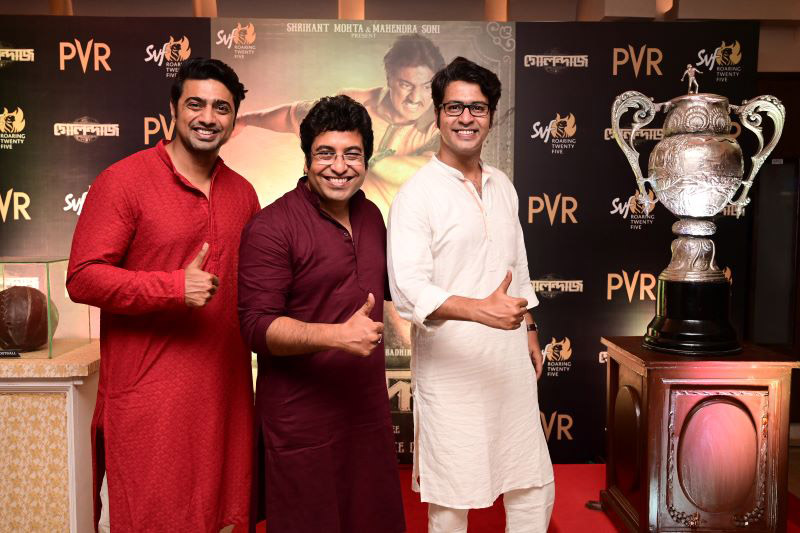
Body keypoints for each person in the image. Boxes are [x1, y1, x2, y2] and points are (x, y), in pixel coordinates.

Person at [66, 58, 259, 532]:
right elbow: (82, 277)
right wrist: (172, 287)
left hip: (225, 405)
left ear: (234, 119)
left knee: (224, 521)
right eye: (196, 104)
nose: (208, 117)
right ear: (173, 109)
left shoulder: (243, 193)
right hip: (150, 405)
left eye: (221, 108)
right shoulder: (123, 181)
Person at [387, 57, 555, 532]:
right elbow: (408, 290)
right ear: (438, 115)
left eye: (477, 108)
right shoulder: (416, 194)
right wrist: (479, 310)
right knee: (451, 496)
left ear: (491, 115)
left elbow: (516, 266)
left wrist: (530, 328)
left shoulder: (503, 185)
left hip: (507, 361)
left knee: (532, 483)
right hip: (451, 370)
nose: (466, 118)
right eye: (455, 107)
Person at [237, 95, 406, 533]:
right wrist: (336, 336)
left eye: (352, 154)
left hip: (366, 414)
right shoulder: (272, 227)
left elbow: (404, 291)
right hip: (301, 424)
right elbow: (256, 327)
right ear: (307, 159)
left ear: (366, 159)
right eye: (326, 153)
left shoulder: (371, 216)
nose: (339, 166)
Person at [235, 33, 445, 218]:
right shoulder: (354, 103)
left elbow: (426, 172)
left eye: (427, 87)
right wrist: (246, 119)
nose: (415, 98)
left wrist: (370, 158)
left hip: (394, 238)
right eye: (406, 85)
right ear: (389, 79)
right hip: (329, 231)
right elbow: (293, 115)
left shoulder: (441, 126)